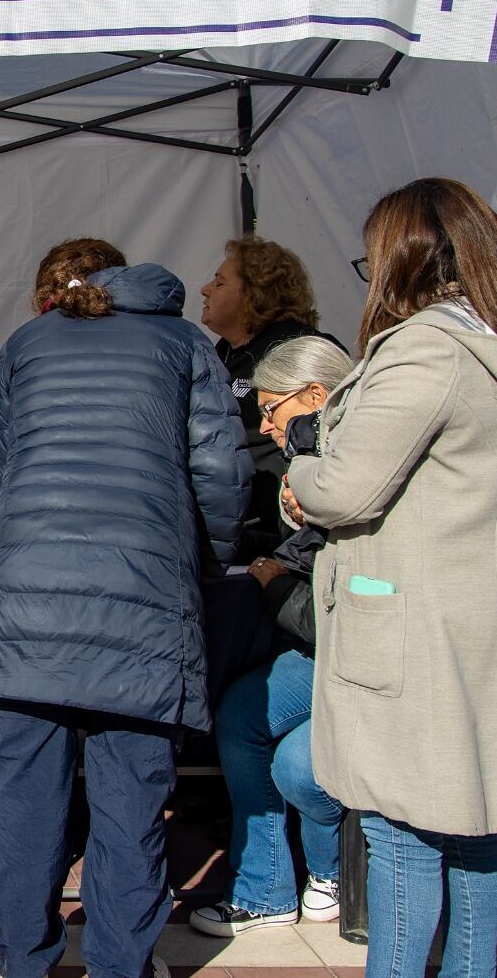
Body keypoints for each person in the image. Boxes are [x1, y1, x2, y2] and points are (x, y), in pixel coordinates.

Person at [283, 178, 497, 978]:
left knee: (401, 840)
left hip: (410, 643)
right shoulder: (496, 345)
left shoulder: (426, 350)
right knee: (474, 836)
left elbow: (343, 487)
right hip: (475, 631)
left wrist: (300, 468)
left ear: (402, 259)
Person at [0, 238, 250, 978]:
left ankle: (24, 963)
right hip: (144, 599)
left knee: (25, 803)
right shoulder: (184, 341)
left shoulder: (26, 342)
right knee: (132, 806)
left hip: (29, 594)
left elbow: (6, 463)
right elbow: (221, 473)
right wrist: (202, 568)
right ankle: (122, 966)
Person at [188, 336, 353, 937]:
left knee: (289, 759)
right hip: (320, 646)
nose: (262, 423)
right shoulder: (311, 461)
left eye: (271, 408)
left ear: (315, 395)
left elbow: (343, 594)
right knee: (243, 712)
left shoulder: (360, 457)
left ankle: (315, 875)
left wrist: (278, 582)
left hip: (363, 651)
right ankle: (269, 889)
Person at [199, 235, 337, 560]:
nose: (205, 289)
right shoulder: (219, 354)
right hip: (236, 526)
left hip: (287, 531)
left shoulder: (296, 348)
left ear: (255, 293)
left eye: (219, 283)